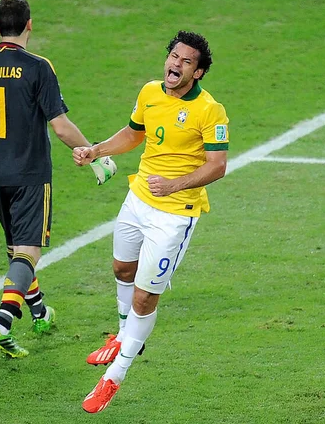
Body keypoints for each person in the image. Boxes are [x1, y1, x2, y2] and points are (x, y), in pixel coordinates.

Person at [73, 30, 229, 413]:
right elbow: (133, 134)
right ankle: (124, 333)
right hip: (137, 200)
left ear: (199, 72)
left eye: (186, 61)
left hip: (175, 215)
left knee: (145, 296)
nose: (176, 64)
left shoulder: (211, 111)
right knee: (122, 269)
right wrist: (96, 150)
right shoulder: (149, 92)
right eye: (173, 56)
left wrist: (174, 185)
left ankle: (115, 376)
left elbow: (218, 166)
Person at [0, 0, 116, 359]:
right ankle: (1, 327)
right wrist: (95, 154)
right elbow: (60, 127)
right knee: (27, 252)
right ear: (29, 25)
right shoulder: (38, 67)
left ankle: (40, 312)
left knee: (17, 251)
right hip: (29, 173)